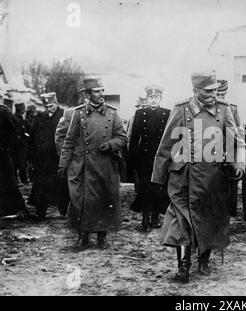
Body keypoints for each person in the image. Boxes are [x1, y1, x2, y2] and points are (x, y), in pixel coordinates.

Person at [151, 73, 246, 283]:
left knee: (208, 219)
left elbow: (237, 141)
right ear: (196, 92)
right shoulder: (181, 109)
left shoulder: (224, 109)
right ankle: (183, 266)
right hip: (183, 175)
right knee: (181, 220)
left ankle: (203, 259)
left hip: (213, 177)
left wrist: (239, 163)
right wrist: (158, 177)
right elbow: (166, 144)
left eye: (214, 90)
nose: (213, 94)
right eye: (208, 91)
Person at [58, 78, 128, 250]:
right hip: (83, 166)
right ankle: (83, 236)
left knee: (105, 199)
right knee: (81, 201)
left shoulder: (113, 114)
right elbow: (68, 141)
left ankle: (102, 236)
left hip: (105, 164)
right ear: (88, 95)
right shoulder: (79, 114)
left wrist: (111, 145)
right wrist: (63, 164)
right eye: (97, 91)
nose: (101, 94)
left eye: (102, 90)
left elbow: (123, 138)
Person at [129, 85, 170, 231]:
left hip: (160, 157)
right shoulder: (140, 114)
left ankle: (155, 218)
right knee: (145, 189)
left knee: (158, 187)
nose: (154, 100)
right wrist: (134, 157)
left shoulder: (167, 114)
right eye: (151, 97)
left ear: (160, 99)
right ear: (147, 99)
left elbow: (169, 137)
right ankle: (145, 219)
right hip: (144, 158)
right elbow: (134, 138)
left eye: (156, 98)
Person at [29, 92, 64, 220]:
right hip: (42, 159)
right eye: (47, 106)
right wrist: (32, 156)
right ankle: (41, 212)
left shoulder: (64, 115)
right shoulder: (40, 117)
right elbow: (33, 137)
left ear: (56, 103)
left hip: (58, 157)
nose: (49, 109)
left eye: (51, 105)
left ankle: (63, 211)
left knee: (61, 185)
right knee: (40, 186)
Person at [217, 79, 243, 218]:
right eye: (218, 95)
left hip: (229, 152)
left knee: (229, 187)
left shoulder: (232, 108)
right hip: (211, 152)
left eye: (223, 95)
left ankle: (228, 215)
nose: (220, 98)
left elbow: (238, 133)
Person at [0, 94, 29, 218]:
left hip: (2, 154)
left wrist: (6, 145)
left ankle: (14, 208)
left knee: (6, 180)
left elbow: (16, 129)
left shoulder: (3, 111)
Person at [13, 101, 31, 184]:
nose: (25, 109)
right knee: (21, 163)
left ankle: (19, 180)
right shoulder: (16, 118)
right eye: (23, 108)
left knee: (20, 163)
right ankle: (23, 180)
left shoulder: (20, 118)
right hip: (19, 145)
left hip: (20, 144)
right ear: (20, 109)